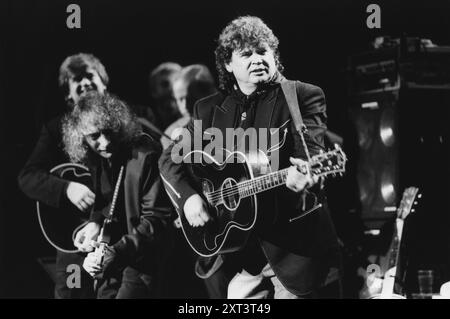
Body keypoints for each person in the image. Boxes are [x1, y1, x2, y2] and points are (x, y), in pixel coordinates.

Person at [159, 16, 340, 299]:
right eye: (246, 54)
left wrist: (307, 175)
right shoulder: (208, 110)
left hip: (297, 257)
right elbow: (170, 160)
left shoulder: (301, 95)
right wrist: (188, 198)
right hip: (243, 260)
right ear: (228, 64)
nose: (257, 59)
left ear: (274, 56)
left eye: (263, 51)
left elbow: (311, 152)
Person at [62, 92, 173, 298]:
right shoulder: (98, 160)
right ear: (81, 137)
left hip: (144, 260)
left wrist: (116, 251)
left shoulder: (145, 156)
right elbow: (106, 201)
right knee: (73, 287)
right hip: (118, 255)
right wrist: (94, 223)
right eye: (94, 136)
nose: (105, 143)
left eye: (108, 132)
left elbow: (157, 221)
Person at [17, 53, 108, 299]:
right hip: (74, 247)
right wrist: (66, 189)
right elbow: (28, 176)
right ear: (68, 94)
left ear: (104, 82)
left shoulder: (134, 118)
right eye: (76, 80)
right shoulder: (56, 128)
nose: (85, 83)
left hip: (121, 239)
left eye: (90, 75)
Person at [148, 62, 182, 131]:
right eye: (165, 84)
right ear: (154, 90)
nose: (172, 89)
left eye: (177, 83)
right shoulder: (147, 125)